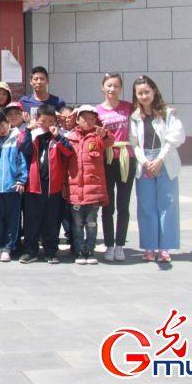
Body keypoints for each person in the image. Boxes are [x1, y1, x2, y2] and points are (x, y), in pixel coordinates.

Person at [129, 75, 185, 264]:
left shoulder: (167, 113)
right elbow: (134, 143)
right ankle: (149, 247)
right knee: (146, 205)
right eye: (140, 93)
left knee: (167, 204)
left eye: (147, 91)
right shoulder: (135, 117)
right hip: (145, 162)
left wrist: (160, 159)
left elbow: (174, 137)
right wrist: (145, 162)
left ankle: (164, 248)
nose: (144, 96)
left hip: (165, 161)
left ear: (154, 91)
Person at [17, 105, 73, 265]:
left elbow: (69, 152)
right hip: (34, 185)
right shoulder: (32, 134)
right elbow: (23, 148)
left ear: (55, 121)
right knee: (31, 220)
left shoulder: (59, 136)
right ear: (37, 120)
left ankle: (50, 251)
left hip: (53, 186)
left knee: (52, 220)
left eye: (50, 121)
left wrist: (58, 137)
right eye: (43, 121)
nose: (47, 124)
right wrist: (28, 130)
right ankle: (30, 250)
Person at [64, 105, 113, 265]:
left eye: (92, 119)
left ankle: (90, 251)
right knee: (77, 224)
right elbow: (64, 164)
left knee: (91, 223)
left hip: (93, 190)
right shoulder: (70, 138)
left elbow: (110, 141)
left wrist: (105, 134)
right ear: (77, 120)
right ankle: (79, 251)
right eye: (84, 118)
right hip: (75, 189)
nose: (88, 121)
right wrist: (64, 185)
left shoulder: (98, 137)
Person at [97, 73, 135, 262]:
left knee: (123, 205)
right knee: (107, 205)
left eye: (116, 86)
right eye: (109, 85)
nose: (112, 89)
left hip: (127, 158)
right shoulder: (97, 111)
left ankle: (120, 245)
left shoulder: (128, 107)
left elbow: (148, 111)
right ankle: (109, 245)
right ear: (103, 87)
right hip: (107, 159)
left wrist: (167, 111)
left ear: (121, 88)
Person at [0, 106, 27, 263]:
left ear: (8, 123)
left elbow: (21, 161)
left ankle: (8, 247)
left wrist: (21, 179)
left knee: (12, 219)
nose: (1, 129)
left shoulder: (17, 139)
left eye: (3, 125)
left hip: (12, 187)